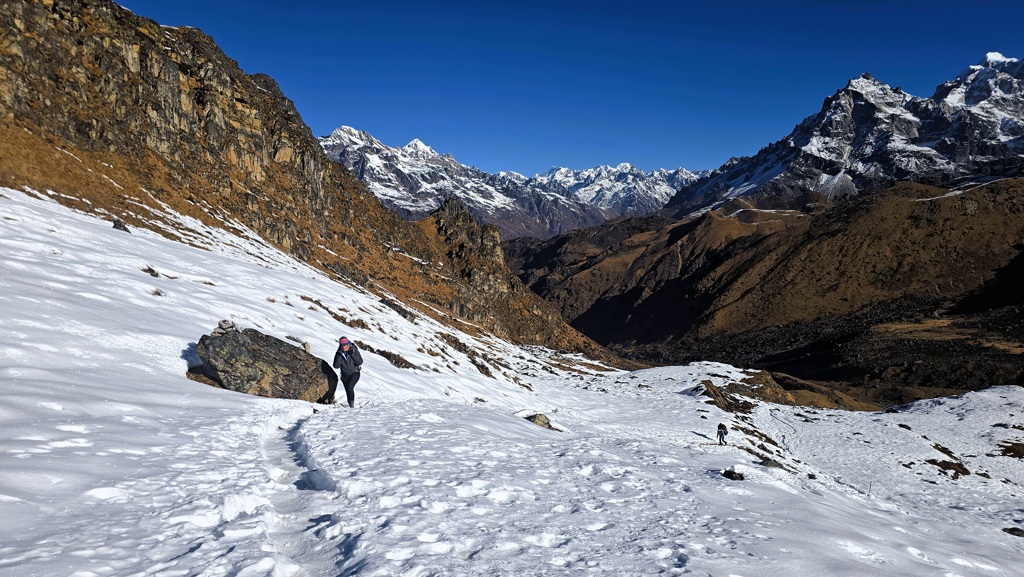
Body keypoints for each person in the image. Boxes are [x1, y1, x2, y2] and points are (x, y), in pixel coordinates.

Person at [332, 336, 363, 408]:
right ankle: (351, 406)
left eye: (345, 345)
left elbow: (360, 362)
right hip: (344, 375)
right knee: (348, 391)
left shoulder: (354, 349)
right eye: (342, 346)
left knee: (350, 387)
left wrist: (352, 354)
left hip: (355, 372)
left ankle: (352, 407)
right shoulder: (339, 353)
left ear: (348, 344)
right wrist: (339, 356)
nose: (343, 347)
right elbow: (336, 366)